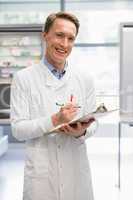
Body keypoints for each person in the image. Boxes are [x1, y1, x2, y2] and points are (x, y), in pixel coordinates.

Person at [11, 11, 97, 200]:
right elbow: (18, 129)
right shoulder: (23, 78)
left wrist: (81, 132)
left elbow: (94, 123)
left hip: (76, 169)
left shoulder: (85, 78)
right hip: (42, 174)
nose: (64, 44)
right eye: (59, 35)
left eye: (70, 38)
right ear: (45, 35)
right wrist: (55, 119)